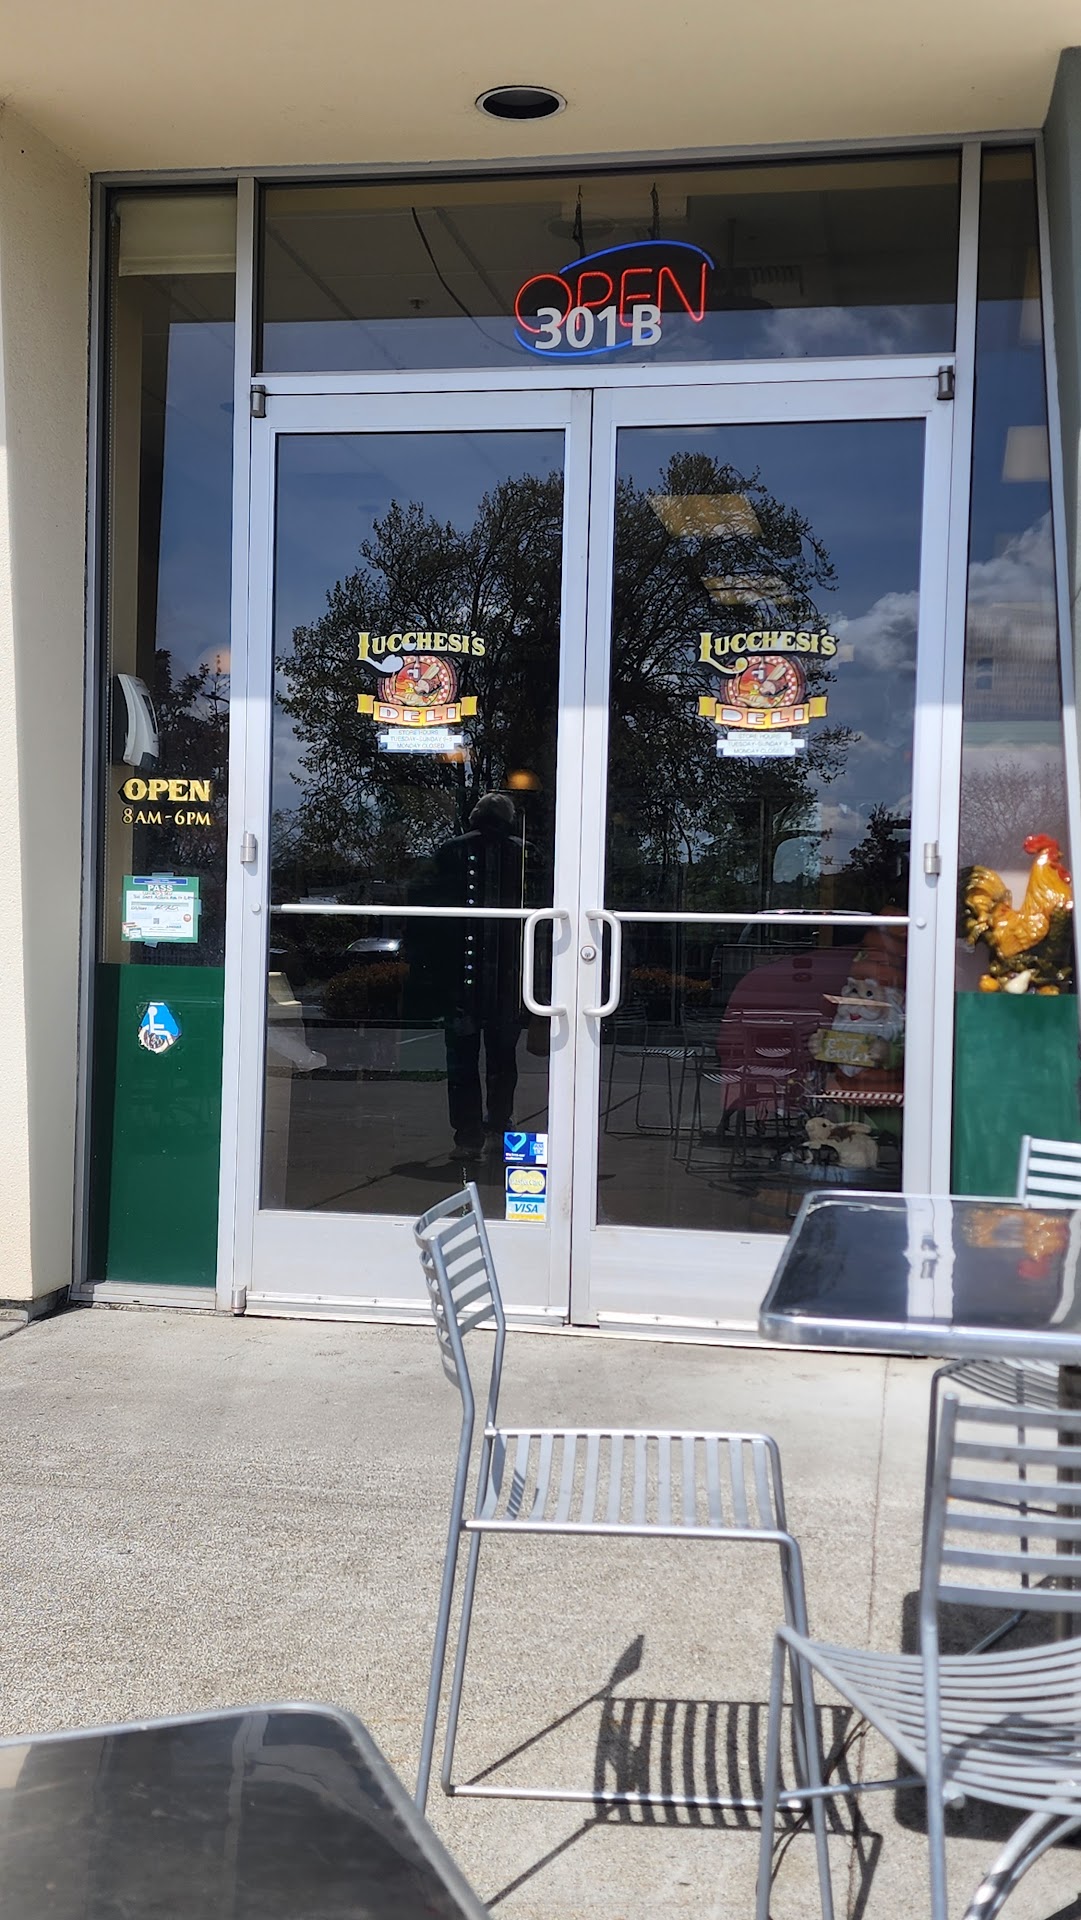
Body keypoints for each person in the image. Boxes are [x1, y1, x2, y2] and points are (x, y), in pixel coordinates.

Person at [425, 792, 528, 1160]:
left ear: (475, 816)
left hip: (461, 981)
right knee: (503, 1061)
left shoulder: (450, 851)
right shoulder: (524, 854)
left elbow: (428, 919)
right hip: (508, 981)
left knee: (462, 1064)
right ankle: (498, 1126)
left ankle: (468, 1137)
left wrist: (430, 974)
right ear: (508, 819)